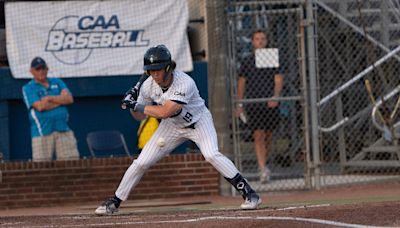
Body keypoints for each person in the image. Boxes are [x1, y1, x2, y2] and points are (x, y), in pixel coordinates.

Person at [95, 45, 262, 215]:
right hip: (172, 126)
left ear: (168, 68)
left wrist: (136, 105)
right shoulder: (148, 86)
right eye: (151, 71)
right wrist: (132, 106)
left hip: (199, 122)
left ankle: (250, 194)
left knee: (211, 154)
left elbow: (166, 111)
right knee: (141, 162)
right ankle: (114, 202)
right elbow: (142, 117)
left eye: (158, 70)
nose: (154, 74)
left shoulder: (184, 82)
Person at [236, 30, 283, 183]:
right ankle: (262, 168)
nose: (260, 41)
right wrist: (240, 103)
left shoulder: (271, 58)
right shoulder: (247, 60)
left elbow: (278, 79)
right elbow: (242, 82)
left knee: (268, 135)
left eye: (263, 38)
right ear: (252, 42)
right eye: (257, 39)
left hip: (269, 103)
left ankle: (264, 164)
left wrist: (275, 96)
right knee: (258, 135)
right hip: (254, 103)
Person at [22, 57, 79, 161]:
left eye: (43, 68)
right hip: (42, 132)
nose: (41, 71)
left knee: (71, 162)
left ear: (47, 69)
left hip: (63, 129)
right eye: (38, 69)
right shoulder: (28, 88)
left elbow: (69, 99)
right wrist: (60, 101)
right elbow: (40, 107)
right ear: (32, 71)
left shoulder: (57, 82)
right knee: (41, 167)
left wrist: (50, 98)